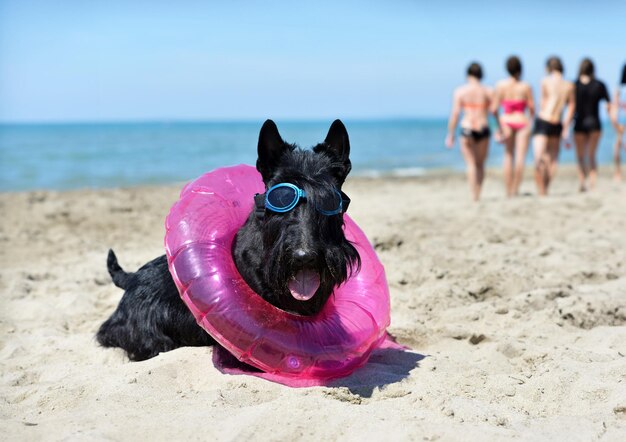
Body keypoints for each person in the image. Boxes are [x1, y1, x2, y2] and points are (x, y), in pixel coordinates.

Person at [445, 62, 494, 201]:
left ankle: (474, 196)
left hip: (467, 127)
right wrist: (499, 130)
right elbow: (494, 112)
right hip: (483, 127)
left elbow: (455, 114)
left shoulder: (460, 91)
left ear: (468, 75)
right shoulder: (488, 91)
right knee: (480, 164)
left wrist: (451, 134)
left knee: (471, 164)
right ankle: (479, 191)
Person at [492, 56, 535, 197]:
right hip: (522, 121)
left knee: (508, 155)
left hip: (506, 121)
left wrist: (499, 126)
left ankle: (508, 190)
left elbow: (493, 109)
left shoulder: (500, 85)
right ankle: (516, 189)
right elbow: (532, 108)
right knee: (520, 158)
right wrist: (530, 121)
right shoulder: (525, 86)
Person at [532, 56, 576, 196]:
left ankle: (541, 189)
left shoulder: (545, 81)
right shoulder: (569, 85)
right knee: (553, 159)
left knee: (539, 157)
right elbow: (571, 107)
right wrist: (566, 125)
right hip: (558, 122)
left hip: (544, 120)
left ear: (548, 68)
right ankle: (546, 188)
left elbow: (542, 103)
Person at [573, 58, 611, 191]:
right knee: (592, 155)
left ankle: (582, 181)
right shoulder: (600, 85)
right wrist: (614, 122)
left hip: (579, 123)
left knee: (580, 156)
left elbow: (570, 106)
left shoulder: (574, 85)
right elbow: (608, 105)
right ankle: (593, 183)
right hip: (595, 123)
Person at [611, 64, 626, 181]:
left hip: (621, 121)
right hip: (622, 121)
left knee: (618, 146)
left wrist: (614, 122)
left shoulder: (619, 89)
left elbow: (615, 107)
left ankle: (618, 173)